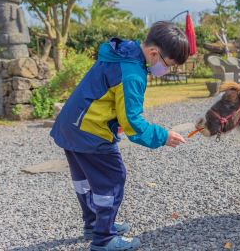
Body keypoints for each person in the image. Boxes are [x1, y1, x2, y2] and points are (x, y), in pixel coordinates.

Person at [50, 21, 189, 251]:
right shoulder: (132, 73)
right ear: (154, 53)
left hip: (71, 125)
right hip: (91, 131)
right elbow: (133, 123)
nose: (167, 70)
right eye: (168, 64)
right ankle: (104, 238)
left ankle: (94, 223)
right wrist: (163, 136)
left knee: (85, 179)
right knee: (112, 178)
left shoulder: (123, 53)